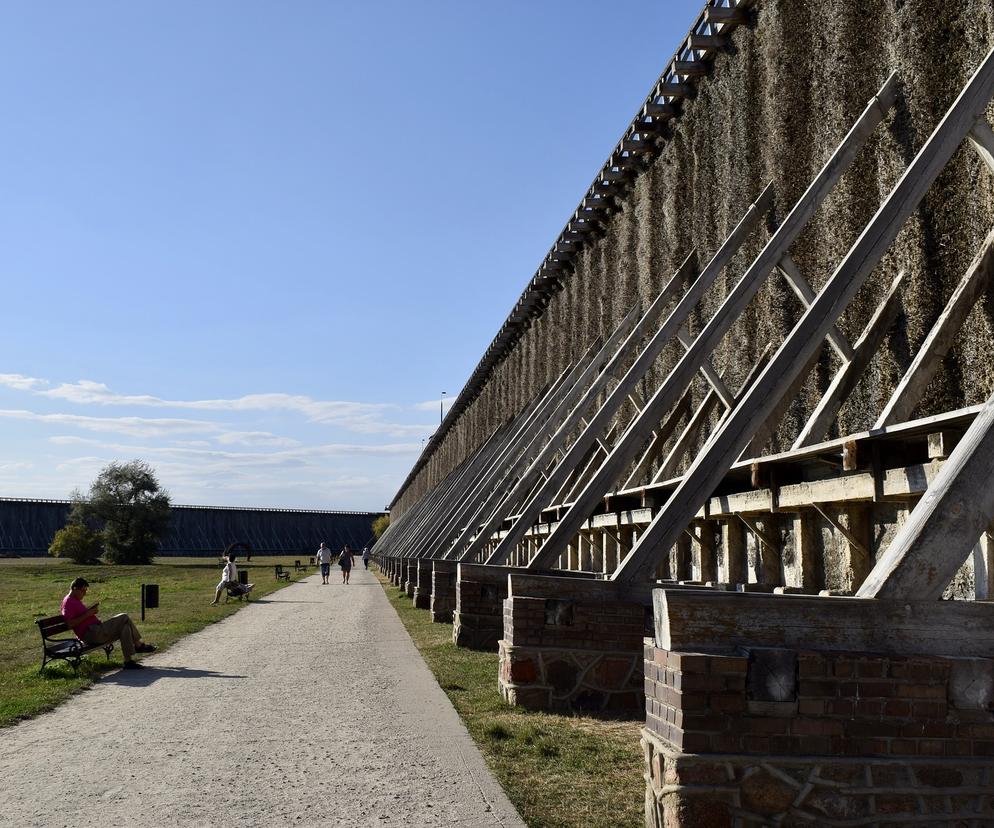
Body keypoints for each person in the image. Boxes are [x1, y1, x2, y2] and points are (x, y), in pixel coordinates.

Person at [60, 577, 156, 670]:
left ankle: (128, 662)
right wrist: (89, 613)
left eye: (86, 591)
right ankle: (138, 646)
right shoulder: (69, 602)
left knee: (125, 628)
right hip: (91, 634)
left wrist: (89, 612)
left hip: (96, 631)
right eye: (83, 591)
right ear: (75, 588)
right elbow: (69, 624)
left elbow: (80, 616)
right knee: (124, 616)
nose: (84, 593)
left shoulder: (74, 600)